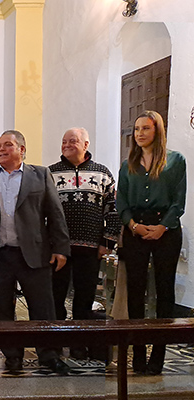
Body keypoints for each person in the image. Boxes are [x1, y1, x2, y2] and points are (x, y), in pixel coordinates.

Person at [0, 130, 71, 374]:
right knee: (1, 309)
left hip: (33, 253)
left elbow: (55, 214)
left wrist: (61, 248)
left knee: (42, 308)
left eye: (8, 145)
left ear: (22, 149)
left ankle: (49, 355)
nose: (1, 149)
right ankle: (12, 356)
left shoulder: (40, 175)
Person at [116, 110, 186, 375]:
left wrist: (162, 227)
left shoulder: (175, 161)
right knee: (136, 293)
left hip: (165, 230)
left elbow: (179, 200)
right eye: (136, 129)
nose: (140, 134)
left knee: (164, 293)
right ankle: (138, 356)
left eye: (145, 128)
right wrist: (133, 224)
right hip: (136, 230)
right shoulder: (128, 164)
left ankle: (157, 357)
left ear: (157, 131)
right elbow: (121, 200)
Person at [48, 127, 120, 359]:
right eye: (64, 141)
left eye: (73, 141)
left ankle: (79, 345)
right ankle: (57, 343)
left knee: (84, 299)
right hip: (58, 249)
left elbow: (114, 210)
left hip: (90, 250)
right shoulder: (50, 173)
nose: (67, 144)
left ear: (86, 144)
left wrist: (107, 243)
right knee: (56, 297)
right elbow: (42, 211)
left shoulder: (102, 173)